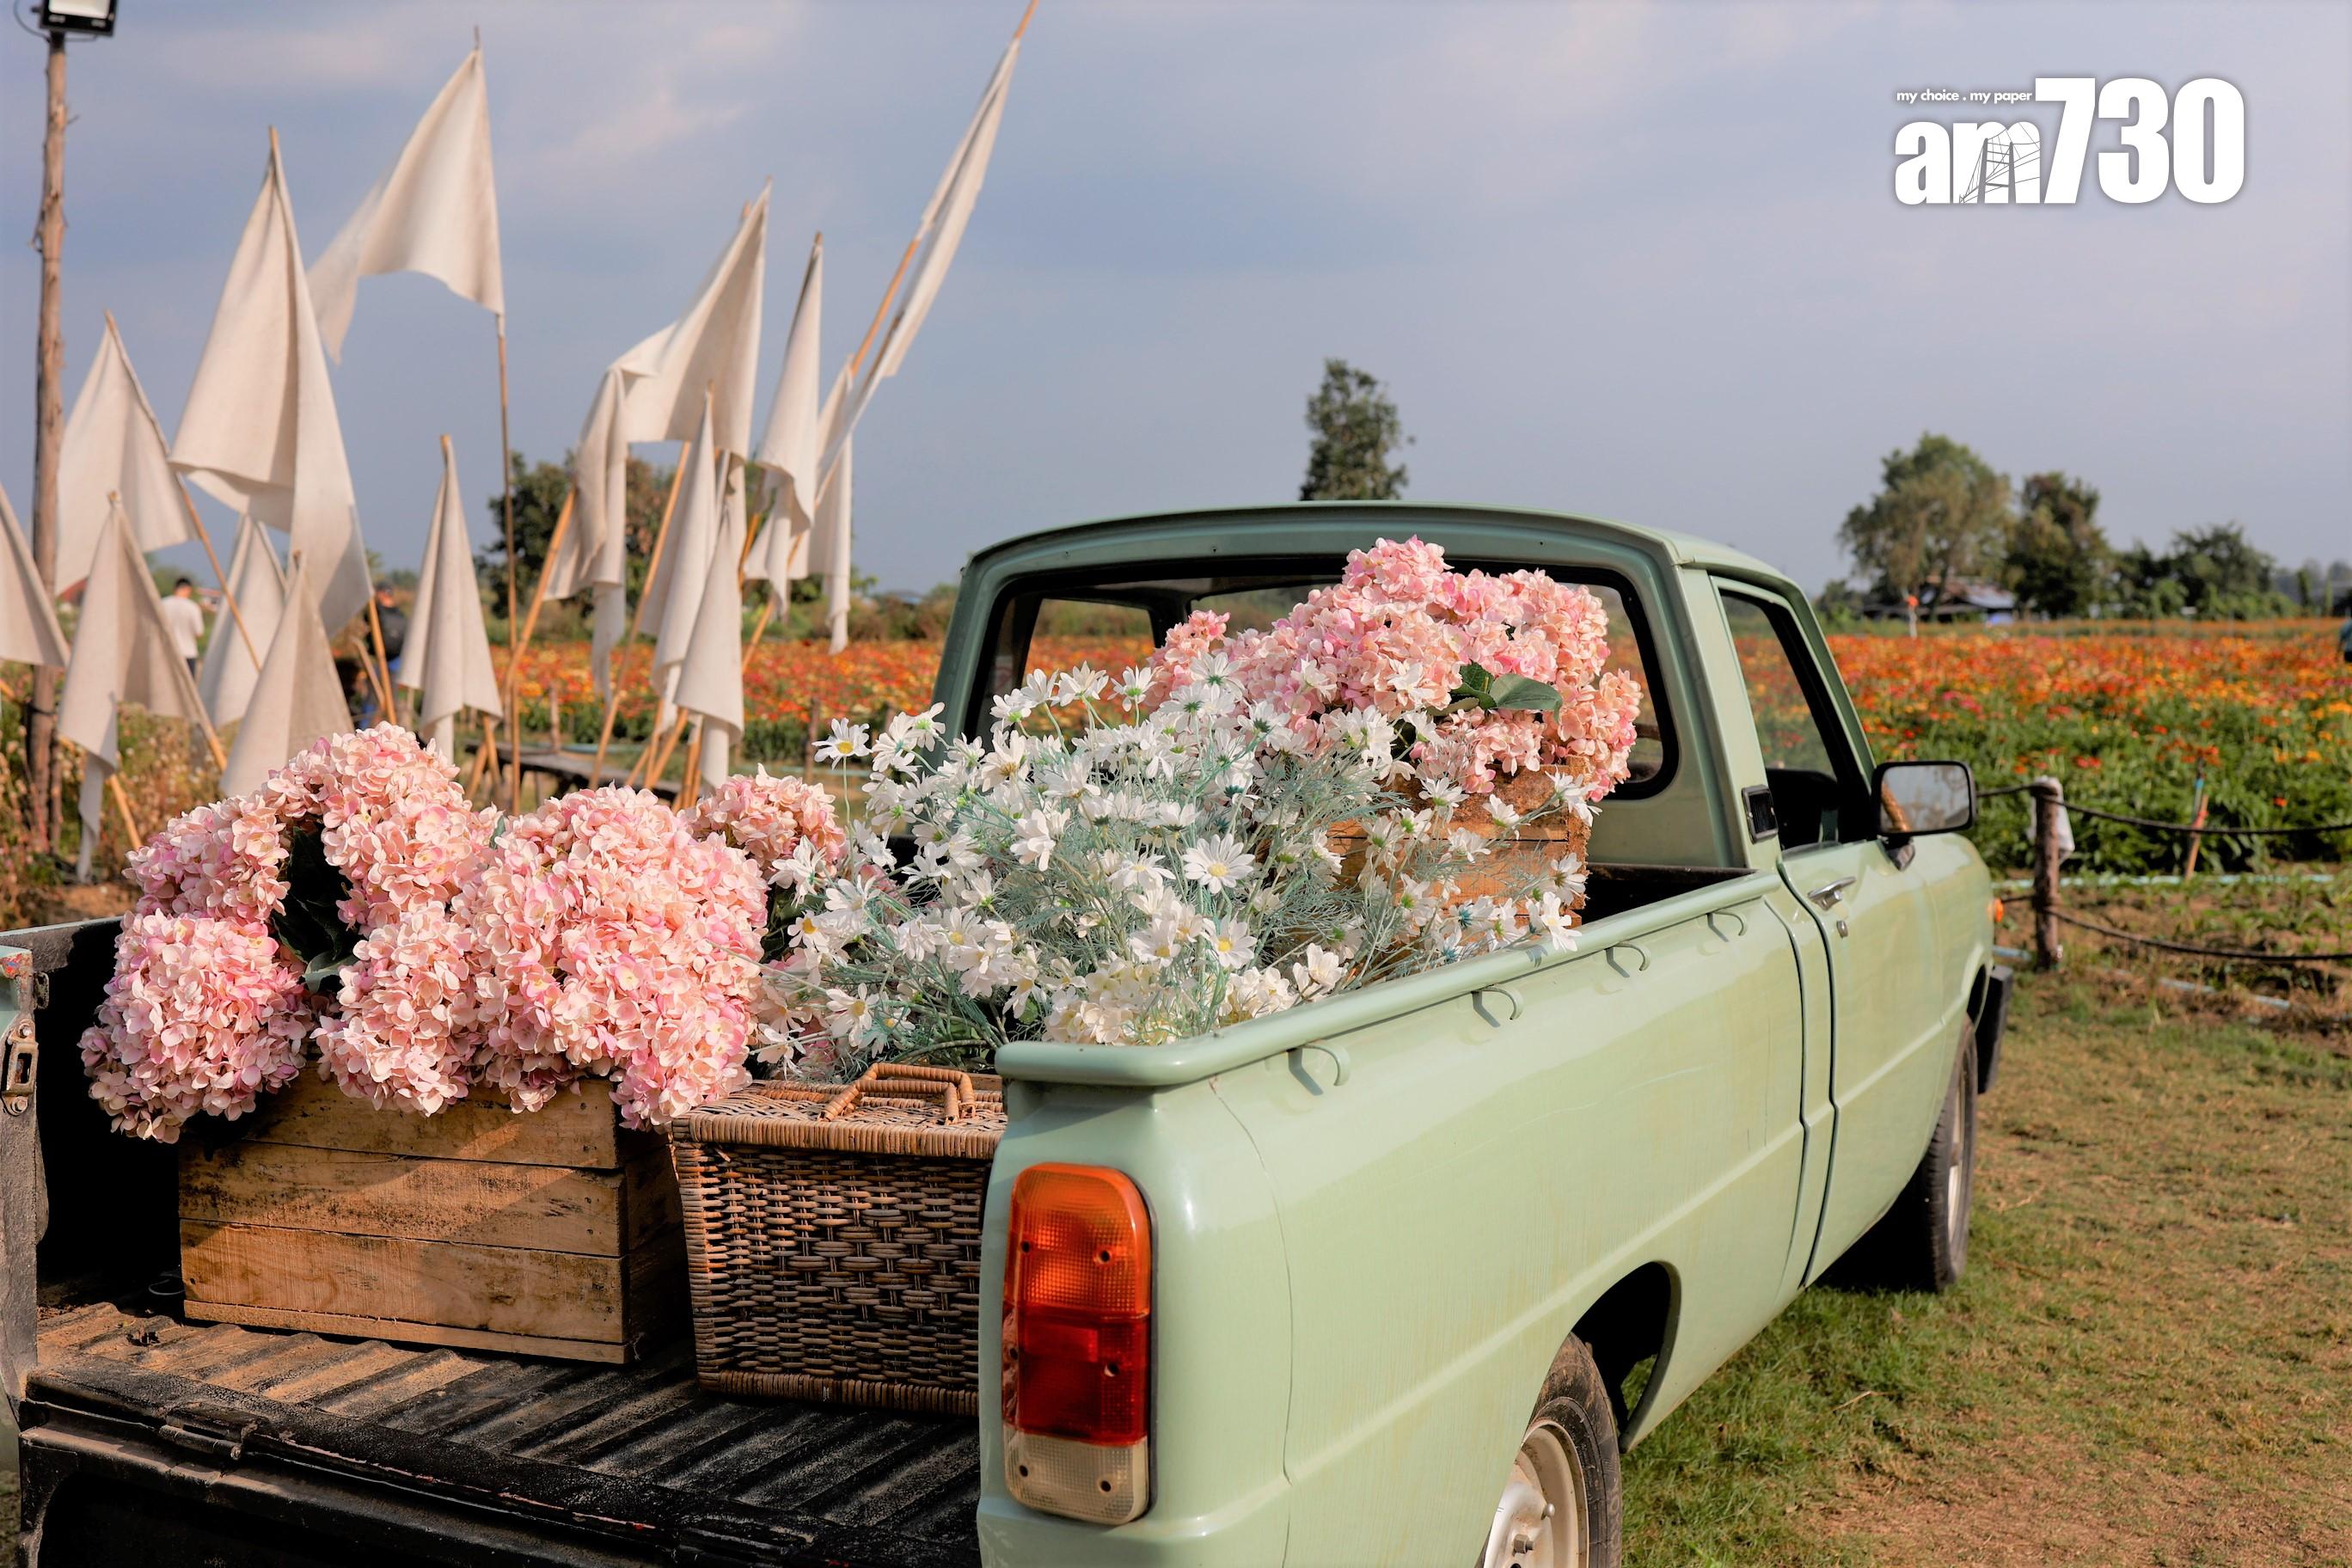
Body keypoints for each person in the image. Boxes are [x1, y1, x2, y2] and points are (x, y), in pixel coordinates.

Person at [158, 576, 208, 680]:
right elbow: (199, 633)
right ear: (188, 589)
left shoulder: (162, 604)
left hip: (165, 652)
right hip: (188, 653)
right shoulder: (192, 607)